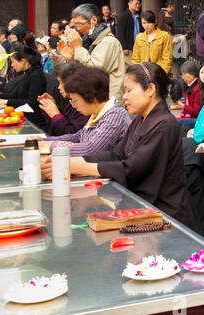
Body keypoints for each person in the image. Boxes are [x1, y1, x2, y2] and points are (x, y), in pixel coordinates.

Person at [60, 63, 192, 224]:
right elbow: (115, 154)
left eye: (129, 90)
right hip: (143, 208)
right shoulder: (139, 120)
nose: (124, 96)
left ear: (150, 89)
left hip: (164, 215)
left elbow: (131, 169)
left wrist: (72, 166)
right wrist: (73, 161)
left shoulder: (164, 124)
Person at [40, 65, 130, 156]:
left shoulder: (115, 115)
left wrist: (51, 146)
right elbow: (78, 136)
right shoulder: (97, 114)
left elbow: (90, 150)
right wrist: (45, 140)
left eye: (75, 100)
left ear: (91, 97)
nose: (74, 106)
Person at [62, 3, 124, 100]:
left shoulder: (108, 41)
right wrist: (71, 58)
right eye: (75, 25)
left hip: (109, 100)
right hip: (96, 97)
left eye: (80, 24)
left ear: (93, 20)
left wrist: (78, 48)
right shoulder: (90, 41)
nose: (78, 28)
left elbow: (94, 71)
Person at [0, 44, 49, 127]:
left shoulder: (36, 75)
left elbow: (32, 102)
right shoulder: (27, 74)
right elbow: (15, 95)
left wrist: (5, 101)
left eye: (13, 62)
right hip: (24, 118)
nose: (12, 65)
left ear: (23, 61)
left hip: (34, 123)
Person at [37, 60, 88, 135]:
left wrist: (55, 114)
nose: (59, 87)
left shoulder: (85, 105)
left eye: (61, 83)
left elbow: (72, 134)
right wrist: (53, 107)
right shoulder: (72, 102)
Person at [131, 10, 173, 75]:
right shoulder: (139, 37)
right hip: (144, 74)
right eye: (144, 23)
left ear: (154, 22)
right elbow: (135, 58)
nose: (146, 26)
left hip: (160, 72)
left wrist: (161, 73)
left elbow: (167, 58)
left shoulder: (164, 35)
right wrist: (139, 73)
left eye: (149, 23)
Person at [176, 59, 204, 127]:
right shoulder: (189, 86)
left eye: (185, 74)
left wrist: (182, 105)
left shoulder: (197, 88)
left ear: (193, 73)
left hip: (198, 119)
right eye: (182, 74)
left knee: (175, 123)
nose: (183, 77)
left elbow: (196, 111)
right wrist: (182, 113)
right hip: (192, 116)